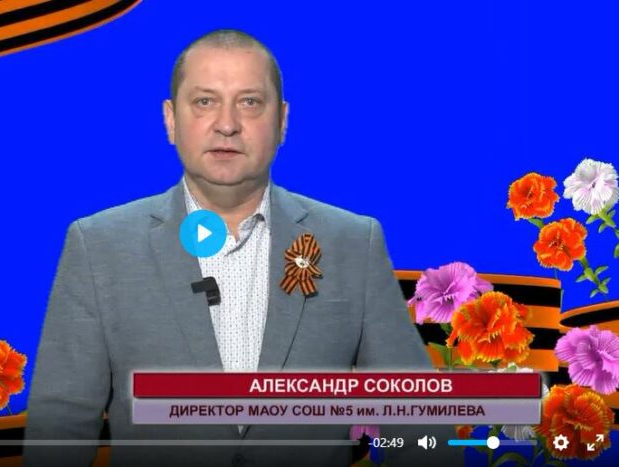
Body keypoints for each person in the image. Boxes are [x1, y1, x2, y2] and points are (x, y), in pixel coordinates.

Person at [24, 29, 464, 467]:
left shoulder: (352, 242)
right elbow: (61, 425)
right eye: (204, 101)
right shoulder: (98, 246)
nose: (227, 124)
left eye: (250, 102)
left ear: (283, 121)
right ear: (170, 120)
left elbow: (417, 419)